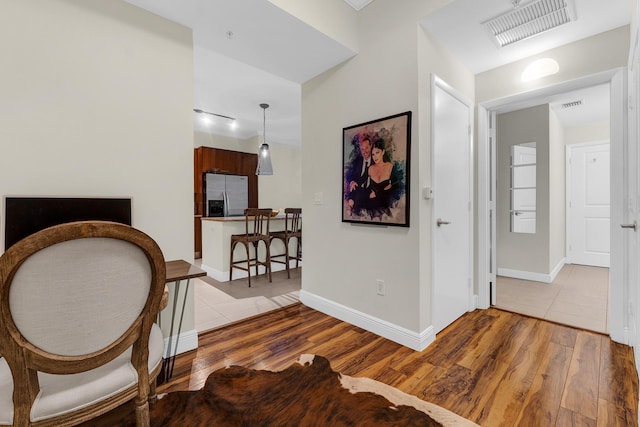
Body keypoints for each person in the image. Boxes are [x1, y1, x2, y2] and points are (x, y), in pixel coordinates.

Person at [366, 138, 395, 217]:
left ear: (383, 152)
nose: (375, 157)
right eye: (373, 154)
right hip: (371, 207)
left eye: (377, 153)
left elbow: (394, 187)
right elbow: (364, 187)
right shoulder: (370, 168)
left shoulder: (390, 167)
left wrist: (377, 193)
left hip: (385, 206)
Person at [346, 134, 373, 214]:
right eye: (362, 149)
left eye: (367, 148)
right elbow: (350, 175)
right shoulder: (358, 161)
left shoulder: (376, 160)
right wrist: (352, 181)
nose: (364, 151)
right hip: (358, 191)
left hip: (371, 192)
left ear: (371, 146)